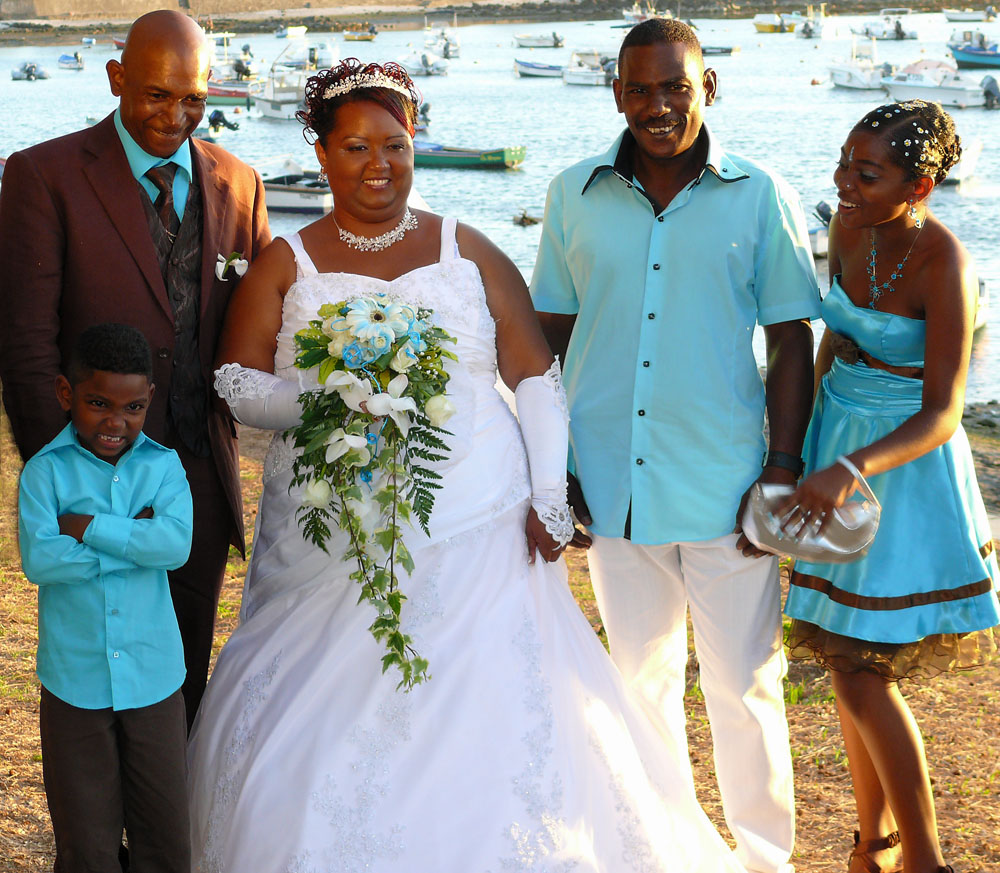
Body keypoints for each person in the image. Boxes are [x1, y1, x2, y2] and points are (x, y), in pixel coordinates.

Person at [186, 58, 748, 872]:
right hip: (330, 522)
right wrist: (333, 397)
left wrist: (550, 495)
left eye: (396, 145)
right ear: (321, 153)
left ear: (415, 145)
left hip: (479, 514)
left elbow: (535, 375)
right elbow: (238, 382)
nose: (378, 165)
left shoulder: (467, 248)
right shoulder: (288, 259)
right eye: (355, 148)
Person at [530, 19, 820, 873]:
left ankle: (766, 860)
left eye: (675, 88)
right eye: (640, 89)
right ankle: (661, 853)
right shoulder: (570, 194)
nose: (658, 106)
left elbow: (791, 339)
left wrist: (779, 472)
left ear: (707, 89)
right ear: (616, 92)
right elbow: (548, 335)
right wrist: (555, 469)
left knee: (745, 688)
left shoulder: (760, 194)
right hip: (613, 486)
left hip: (729, 489)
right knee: (639, 685)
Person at [0, 9, 271, 729]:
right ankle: (99, 840)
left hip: (198, 489)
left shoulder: (239, 182)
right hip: (89, 484)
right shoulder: (43, 175)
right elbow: (26, 348)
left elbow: (267, 328)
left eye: (193, 99)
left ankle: (160, 841)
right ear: (117, 77)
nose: (174, 116)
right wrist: (66, 480)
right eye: (156, 94)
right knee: (99, 683)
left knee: (181, 678)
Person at [782, 100, 999, 873]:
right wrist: (801, 449)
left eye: (865, 172)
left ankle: (925, 861)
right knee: (845, 661)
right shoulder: (848, 226)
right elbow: (836, 342)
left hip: (900, 467)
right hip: (835, 443)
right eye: (843, 161)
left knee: (861, 666)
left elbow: (945, 412)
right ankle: (871, 846)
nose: (843, 181)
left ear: (923, 186)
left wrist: (849, 470)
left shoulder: (949, 264)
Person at [17, 323, 194, 873]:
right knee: (86, 844)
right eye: (98, 403)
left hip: (153, 677)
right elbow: (41, 561)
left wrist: (88, 526)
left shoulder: (163, 466)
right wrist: (132, 539)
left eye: (134, 407)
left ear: (149, 401)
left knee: (163, 835)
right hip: (76, 681)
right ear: (67, 394)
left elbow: (176, 545)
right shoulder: (44, 472)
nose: (117, 422)